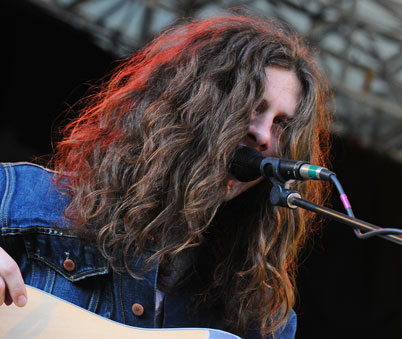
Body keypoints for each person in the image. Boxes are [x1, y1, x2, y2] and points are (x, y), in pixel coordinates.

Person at [0, 13, 330, 338]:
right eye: (253, 106)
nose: (263, 135)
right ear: (190, 109)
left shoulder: (260, 318)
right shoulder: (23, 199)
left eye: (281, 124)